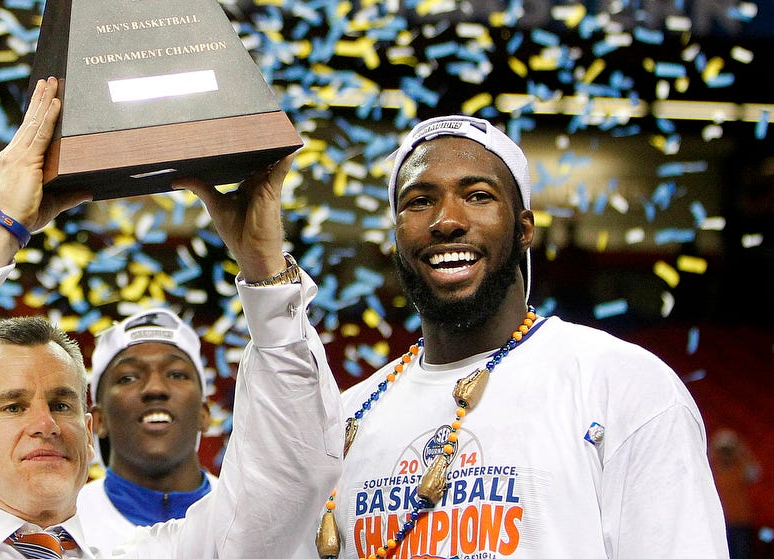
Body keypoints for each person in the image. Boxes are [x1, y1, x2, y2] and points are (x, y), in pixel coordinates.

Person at [0, 76, 343, 558]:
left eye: (62, 404)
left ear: (91, 426)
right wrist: (0, 232)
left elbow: (291, 479)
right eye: (12, 406)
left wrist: (265, 272)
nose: (45, 424)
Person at [288, 115, 728, 559]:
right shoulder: (350, 416)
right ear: (396, 237)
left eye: (478, 196)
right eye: (419, 201)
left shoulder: (622, 385)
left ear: (524, 230)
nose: (446, 221)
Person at [77, 308, 217, 551]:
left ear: (203, 414)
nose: (155, 388)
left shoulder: (254, 515)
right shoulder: (60, 526)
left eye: (176, 374)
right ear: (98, 421)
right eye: (128, 378)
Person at [709, 428, 761, 559]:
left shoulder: (740, 467)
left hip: (741, 524)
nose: (725, 454)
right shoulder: (713, 470)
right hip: (720, 523)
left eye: (728, 450)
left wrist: (741, 450)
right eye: (723, 450)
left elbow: (755, 473)